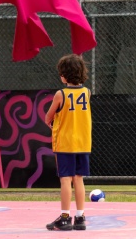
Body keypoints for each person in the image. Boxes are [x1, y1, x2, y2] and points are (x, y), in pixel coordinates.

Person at [45, 54, 92, 231]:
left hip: (65, 143)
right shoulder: (86, 92)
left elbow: (48, 117)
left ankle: (65, 217)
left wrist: (53, 122)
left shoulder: (60, 94)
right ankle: (80, 218)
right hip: (83, 142)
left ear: (64, 75)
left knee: (65, 179)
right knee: (79, 179)